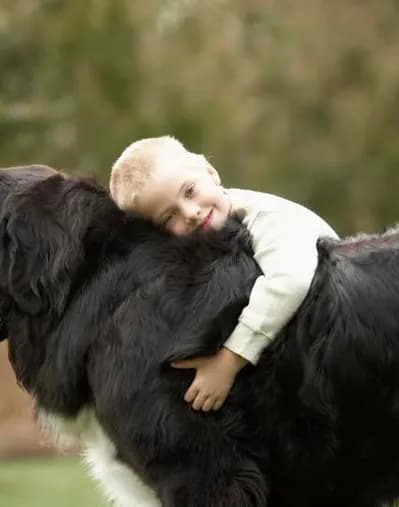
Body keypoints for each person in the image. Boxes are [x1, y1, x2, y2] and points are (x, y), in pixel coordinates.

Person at [109, 135, 339, 411]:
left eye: (190, 191)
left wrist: (229, 360)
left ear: (210, 172)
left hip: (337, 328)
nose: (191, 212)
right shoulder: (211, 243)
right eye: (169, 217)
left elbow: (290, 282)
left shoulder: (265, 218)